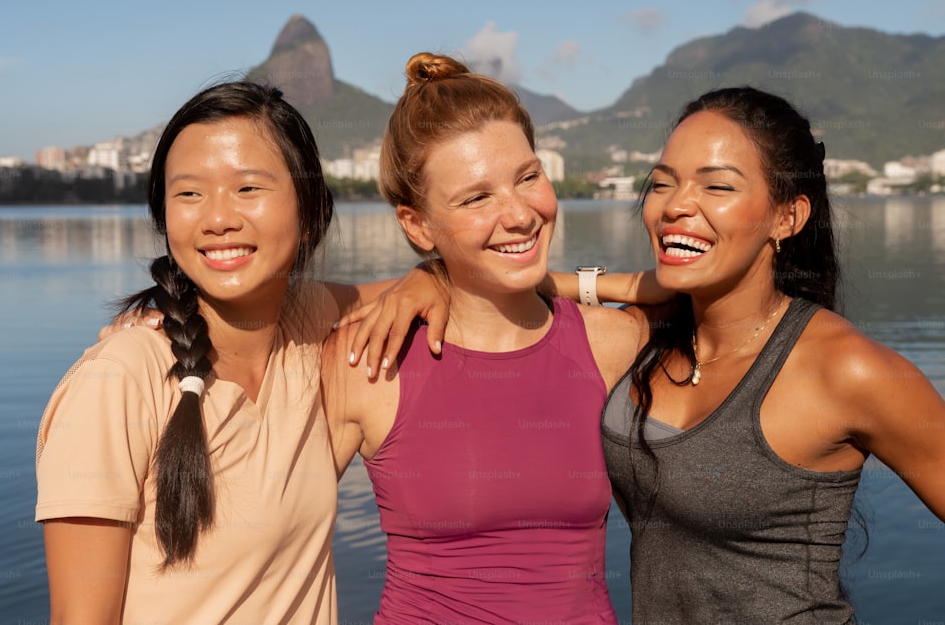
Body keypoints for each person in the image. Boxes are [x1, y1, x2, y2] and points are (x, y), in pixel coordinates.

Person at [34, 81, 440, 623]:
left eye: (248, 189)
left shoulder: (304, 324)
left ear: (310, 207)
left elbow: (471, 283)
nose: (217, 218)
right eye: (189, 193)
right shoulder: (117, 382)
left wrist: (429, 278)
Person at [598, 86, 945, 623]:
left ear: (788, 217)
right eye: (663, 183)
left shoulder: (846, 369)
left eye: (717, 186)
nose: (675, 206)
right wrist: (428, 283)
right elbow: (503, 306)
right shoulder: (640, 340)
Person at [320, 52, 645, 624]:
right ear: (416, 224)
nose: (520, 215)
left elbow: (723, 306)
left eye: (528, 177)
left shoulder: (614, 344)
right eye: (476, 198)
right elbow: (267, 546)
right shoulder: (368, 361)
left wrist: (600, 285)